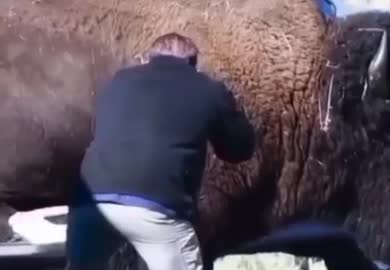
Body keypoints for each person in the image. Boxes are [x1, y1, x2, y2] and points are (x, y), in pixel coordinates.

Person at [65, 32, 256, 270]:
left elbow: (100, 131)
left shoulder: (119, 80)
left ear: (149, 58)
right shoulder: (208, 88)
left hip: (90, 203)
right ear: (193, 62)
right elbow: (239, 149)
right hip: (155, 208)